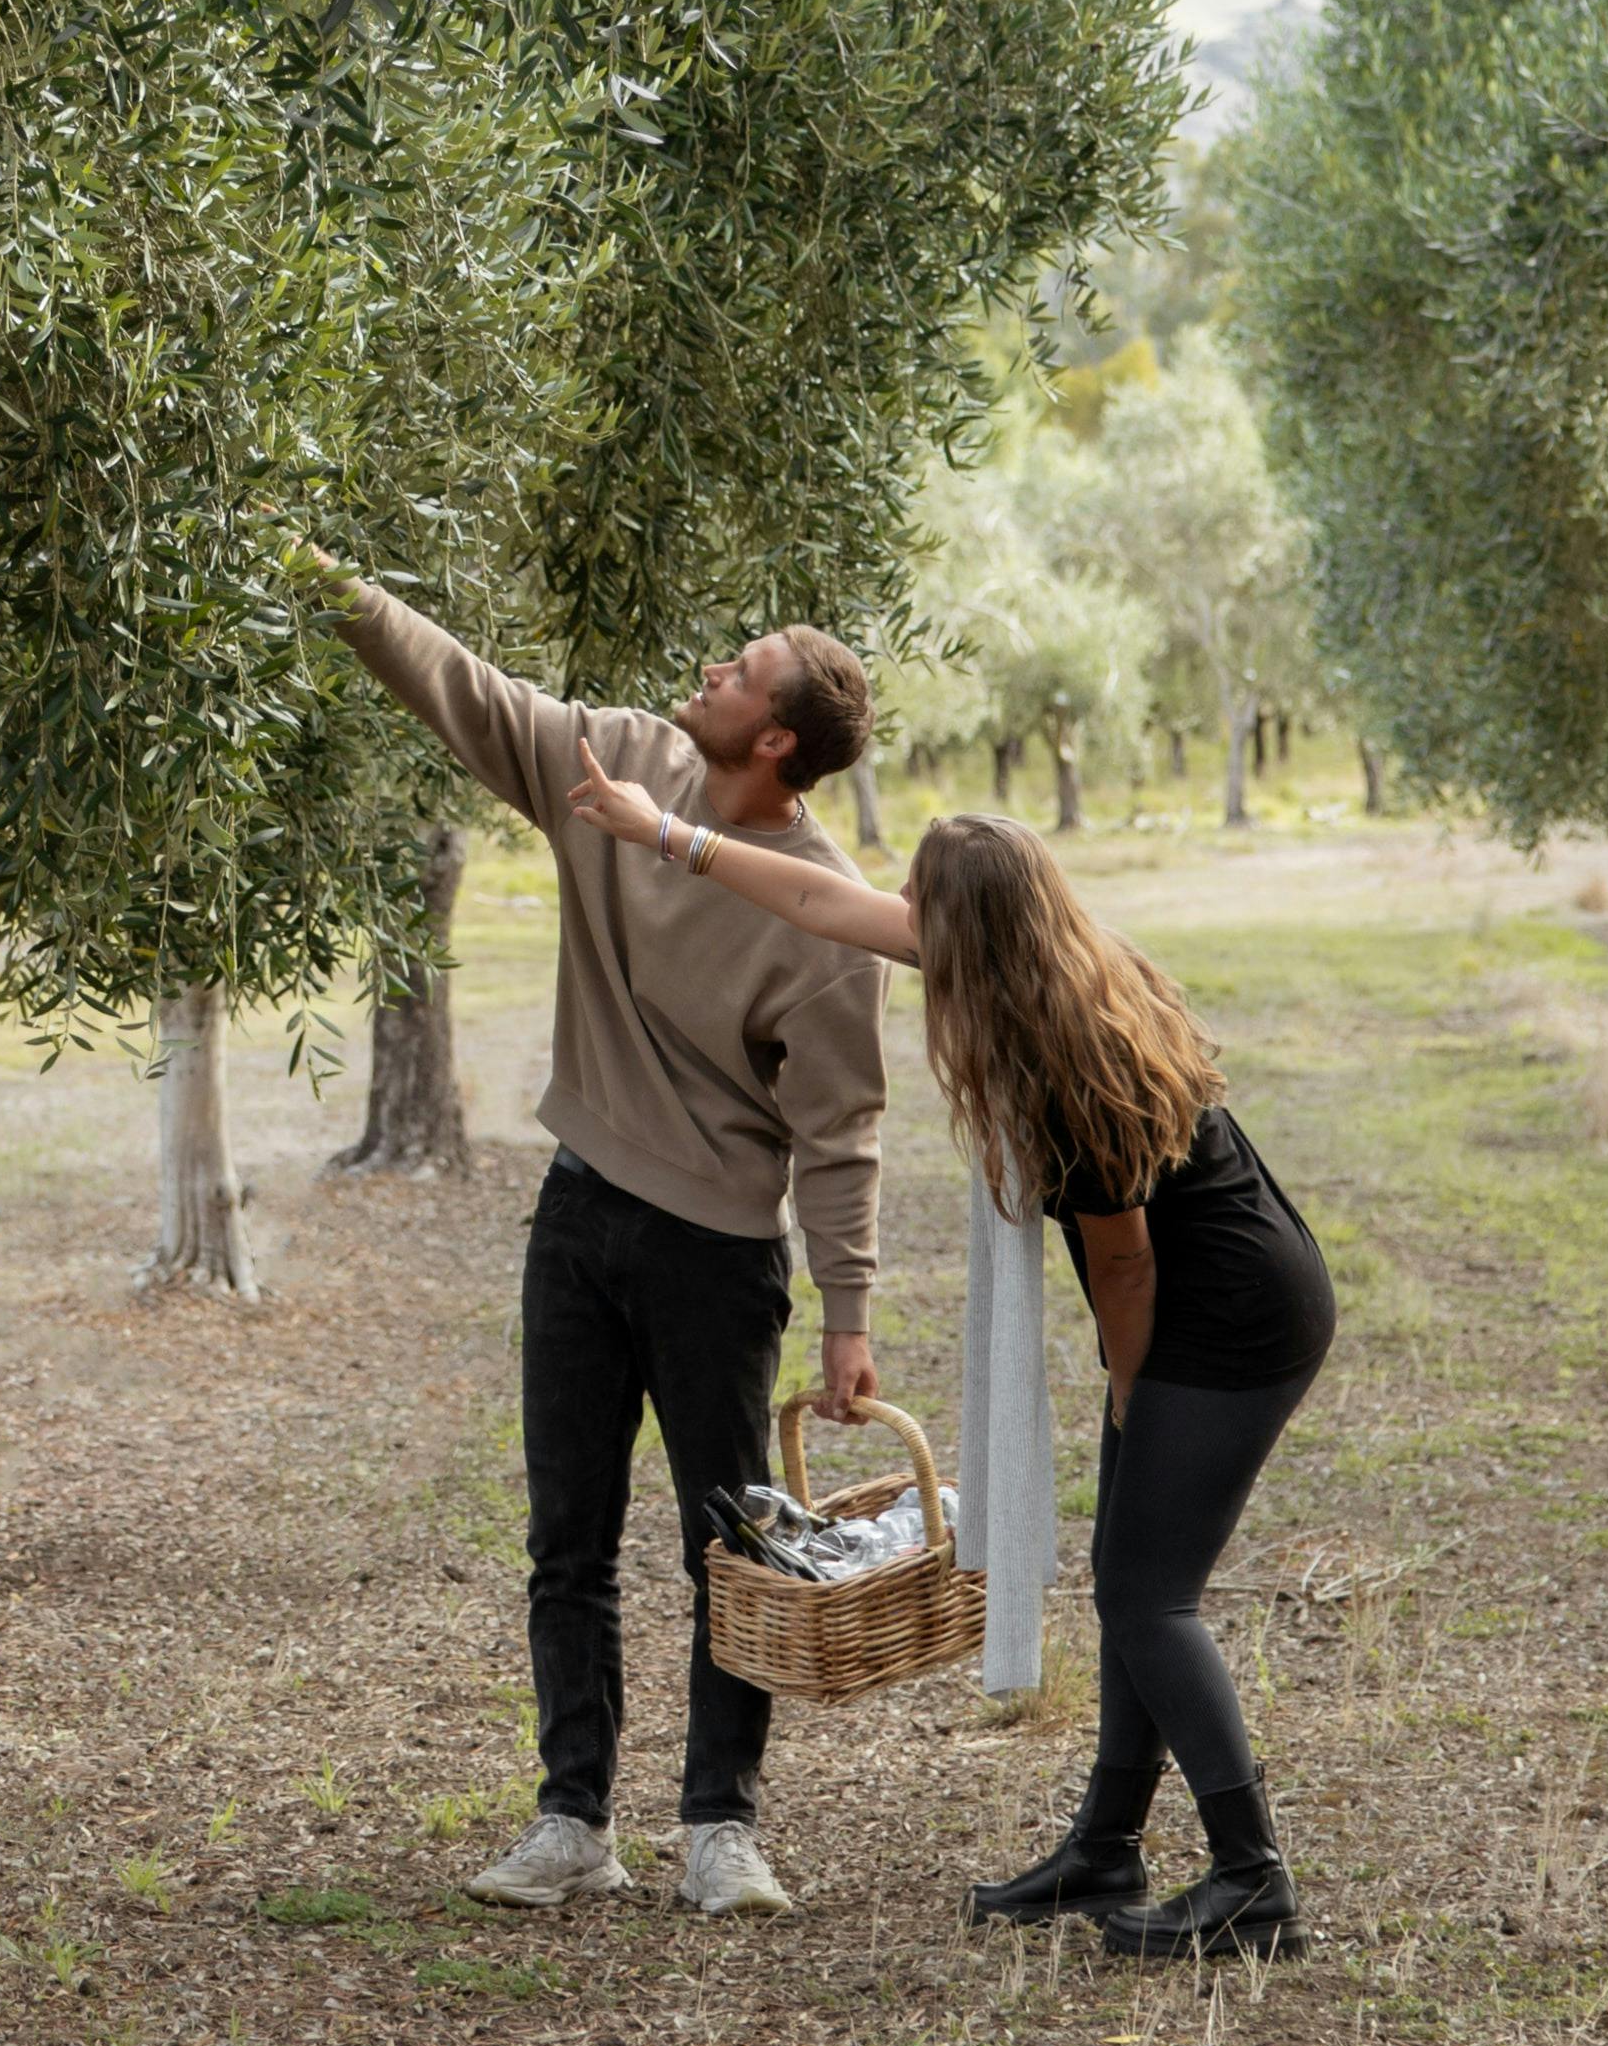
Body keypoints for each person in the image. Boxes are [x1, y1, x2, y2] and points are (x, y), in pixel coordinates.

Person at [561, 777, 1332, 1960]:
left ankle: (1250, 1875)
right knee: (1127, 1572)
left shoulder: (1068, 1054)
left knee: (1144, 1592)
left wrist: (1127, 1393)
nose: (898, 907)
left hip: (1228, 1318)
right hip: (1211, 1295)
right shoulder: (1043, 962)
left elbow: (1124, 1270)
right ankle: (1106, 1848)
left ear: (965, 934)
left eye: (918, 896)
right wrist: (664, 833)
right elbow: (820, 898)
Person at [305, 555, 887, 1918]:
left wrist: (848, 1315)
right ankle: (571, 1819)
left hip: (715, 1254)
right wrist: (334, 587)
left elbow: (843, 1127)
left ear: (776, 738)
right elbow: (467, 692)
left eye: (736, 672)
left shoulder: (822, 911)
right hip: (578, 1212)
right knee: (565, 1538)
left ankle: (718, 1828)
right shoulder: (618, 765)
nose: (708, 672)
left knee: (734, 1549)